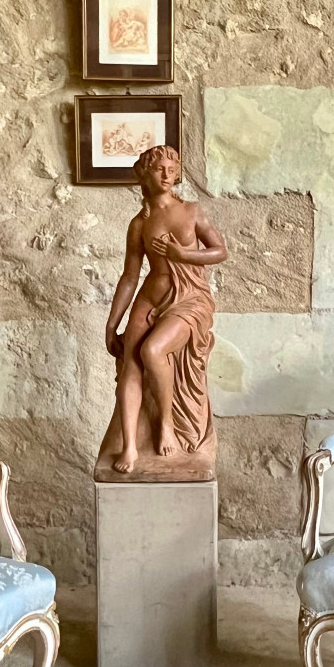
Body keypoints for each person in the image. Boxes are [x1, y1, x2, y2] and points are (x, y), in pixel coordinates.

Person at [104, 145, 227, 474]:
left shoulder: (191, 211)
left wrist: (183, 254)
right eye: (159, 169)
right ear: (145, 174)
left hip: (190, 298)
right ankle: (130, 445)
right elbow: (130, 277)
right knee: (130, 364)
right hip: (150, 297)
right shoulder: (139, 224)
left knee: (153, 350)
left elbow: (219, 251)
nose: (166, 174)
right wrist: (112, 324)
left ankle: (166, 424)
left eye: (172, 169)